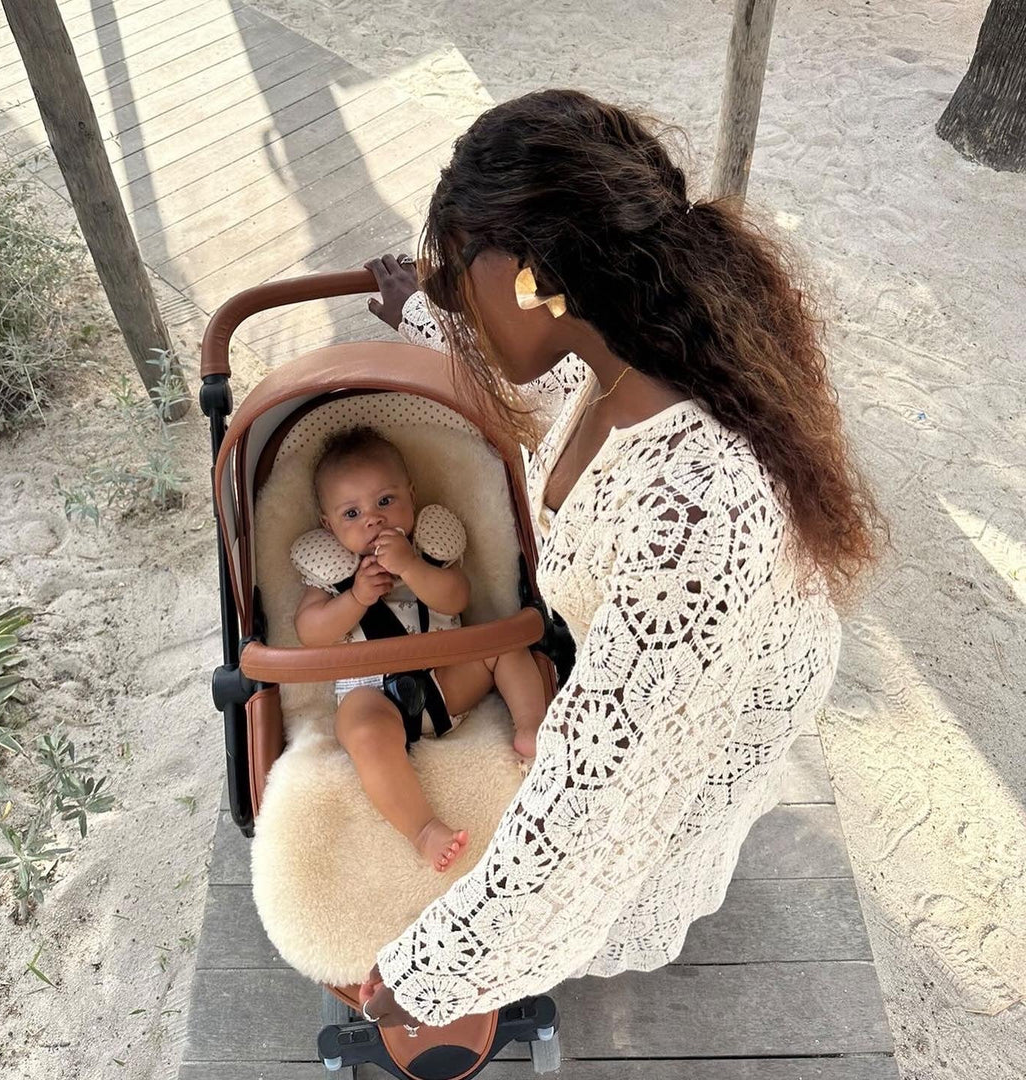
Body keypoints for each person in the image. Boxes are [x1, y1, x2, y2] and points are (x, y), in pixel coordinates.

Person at [354, 89, 886, 1029]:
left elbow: (594, 791)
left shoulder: (696, 509)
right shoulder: (630, 353)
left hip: (718, 691)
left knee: (642, 839)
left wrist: (429, 969)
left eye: (461, 276)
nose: (457, 302)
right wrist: (425, 317)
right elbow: (555, 386)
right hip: (683, 639)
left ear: (531, 276)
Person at [293, 426, 547, 871]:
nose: (372, 519)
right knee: (360, 729)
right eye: (351, 513)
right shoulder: (330, 576)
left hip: (447, 683)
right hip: (374, 698)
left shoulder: (429, 553)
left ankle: (531, 726)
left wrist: (411, 567)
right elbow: (310, 633)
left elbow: (456, 599)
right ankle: (423, 829)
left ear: (411, 496)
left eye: (385, 502)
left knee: (502, 644)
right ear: (327, 526)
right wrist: (354, 599)